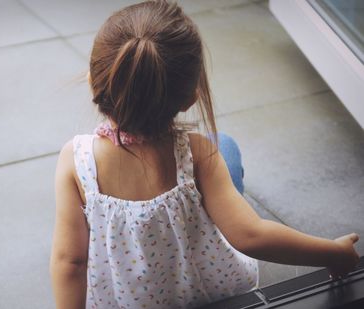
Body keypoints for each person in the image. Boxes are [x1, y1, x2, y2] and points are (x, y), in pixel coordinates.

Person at [49, 1, 360, 308]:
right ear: (189, 98)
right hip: (212, 291)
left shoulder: (76, 160)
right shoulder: (196, 152)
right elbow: (250, 236)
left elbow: (69, 261)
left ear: (94, 81)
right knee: (224, 144)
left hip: (126, 301)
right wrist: (332, 252)